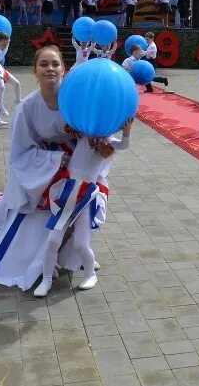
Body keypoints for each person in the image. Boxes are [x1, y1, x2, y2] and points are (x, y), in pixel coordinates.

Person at [0, 46, 104, 292]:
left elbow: (98, 129)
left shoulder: (78, 99)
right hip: (46, 171)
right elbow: (20, 152)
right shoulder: (27, 107)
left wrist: (101, 146)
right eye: (44, 64)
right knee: (47, 221)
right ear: (35, 70)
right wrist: (53, 159)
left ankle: (76, 255)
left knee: (81, 212)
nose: (50, 69)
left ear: (64, 69)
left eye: (55, 64)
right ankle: (48, 261)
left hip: (81, 166)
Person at [34, 118, 132, 296]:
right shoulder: (82, 133)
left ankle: (90, 274)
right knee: (53, 240)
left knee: (81, 243)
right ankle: (47, 279)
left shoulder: (107, 142)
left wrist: (127, 132)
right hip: (67, 191)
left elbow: (123, 145)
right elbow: (70, 126)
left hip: (86, 196)